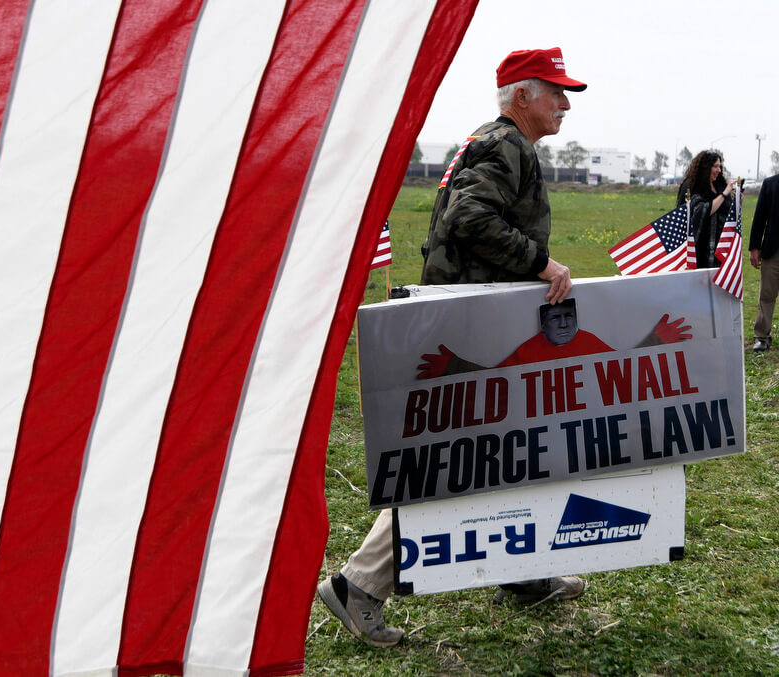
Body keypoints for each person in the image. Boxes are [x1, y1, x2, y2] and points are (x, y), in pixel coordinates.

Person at [317, 47, 587, 649]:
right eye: (556, 92)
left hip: (476, 318)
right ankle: (359, 584)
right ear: (522, 97)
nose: (566, 104)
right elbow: (469, 216)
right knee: (457, 459)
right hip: (470, 324)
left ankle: (523, 571)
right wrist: (539, 262)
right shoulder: (505, 145)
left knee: (511, 446)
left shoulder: (502, 143)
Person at [414, 301, 691, 377]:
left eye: (568, 316)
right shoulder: (530, 349)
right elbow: (496, 383)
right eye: (555, 319)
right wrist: (454, 366)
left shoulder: (589, 342)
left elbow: (623, 370)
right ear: (542, 325)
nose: (563, 324)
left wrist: (658, 340)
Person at [680, 151, 736, 269]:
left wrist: (737, 202)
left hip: (719, 247)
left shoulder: (719, 185)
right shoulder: (692, 185)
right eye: (715, 166)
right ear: (706, 167)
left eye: (720, 166)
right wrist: (724, 194)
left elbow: (727, 212)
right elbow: (701, 211)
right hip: (698, 247)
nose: (719, 170)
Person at [748, 174, 779, 351]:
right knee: (767, 294)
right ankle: (762, 337)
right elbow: (760, 217)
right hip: (772, 250)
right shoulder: (770, 184)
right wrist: (754, 247)